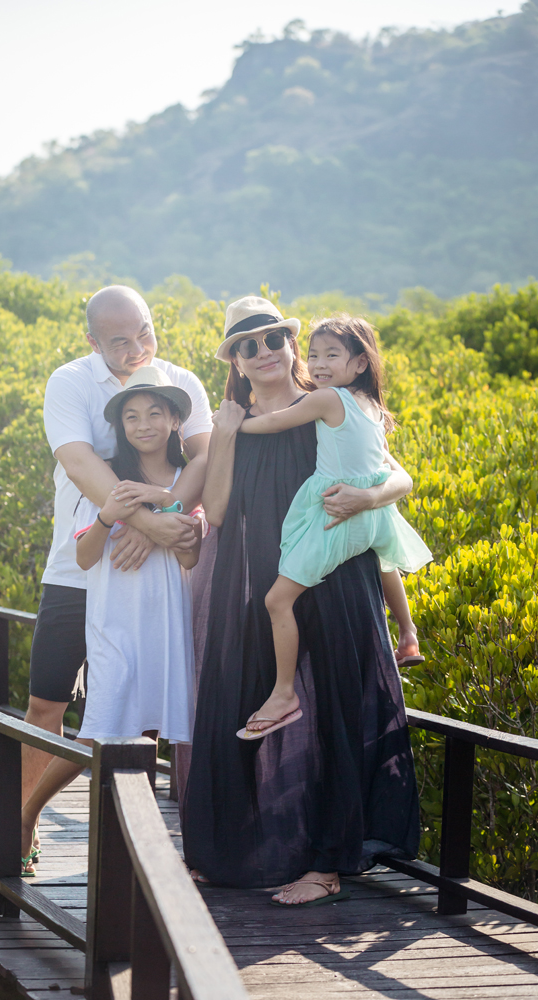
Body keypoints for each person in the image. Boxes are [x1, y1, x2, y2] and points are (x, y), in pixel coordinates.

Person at [182, 296, 420, 906]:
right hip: (261, 574)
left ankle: (327, 864)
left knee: (336, 708)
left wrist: (369, 501)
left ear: (291, 344)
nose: (262, 352)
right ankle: (229, 853)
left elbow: (394, 474)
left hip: (336, 565)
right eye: (246, 345)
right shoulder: (231, 418)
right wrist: (226, 435)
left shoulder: (327, 400)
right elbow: (222, 510)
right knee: (242, 701)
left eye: (272, 340)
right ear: (233, 359)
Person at [24, 285, 212, 854]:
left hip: (153, 582)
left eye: (145, 333)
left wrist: (169, 523)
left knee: (145, 716)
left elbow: (204, 456)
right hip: (78, 571)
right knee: (47, 702)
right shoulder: (72, 381)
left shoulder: (181, 381)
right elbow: (79, 461)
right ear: (93, 341)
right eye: (120, 342)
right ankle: (22, 825)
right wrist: (146, 523)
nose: (137, 349)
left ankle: (133, 846)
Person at [237, 315, 432, 738]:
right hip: (375, 515)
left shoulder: (327, 400)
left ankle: (284, 692)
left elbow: (276, 422)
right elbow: (388, 468)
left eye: (331, 355)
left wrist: (235, 426)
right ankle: (408, 631)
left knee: (276, 601)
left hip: (338, 513)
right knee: (385, 564)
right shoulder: (374, 408)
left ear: (360, 363)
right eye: (313, 355)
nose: (319, 364)